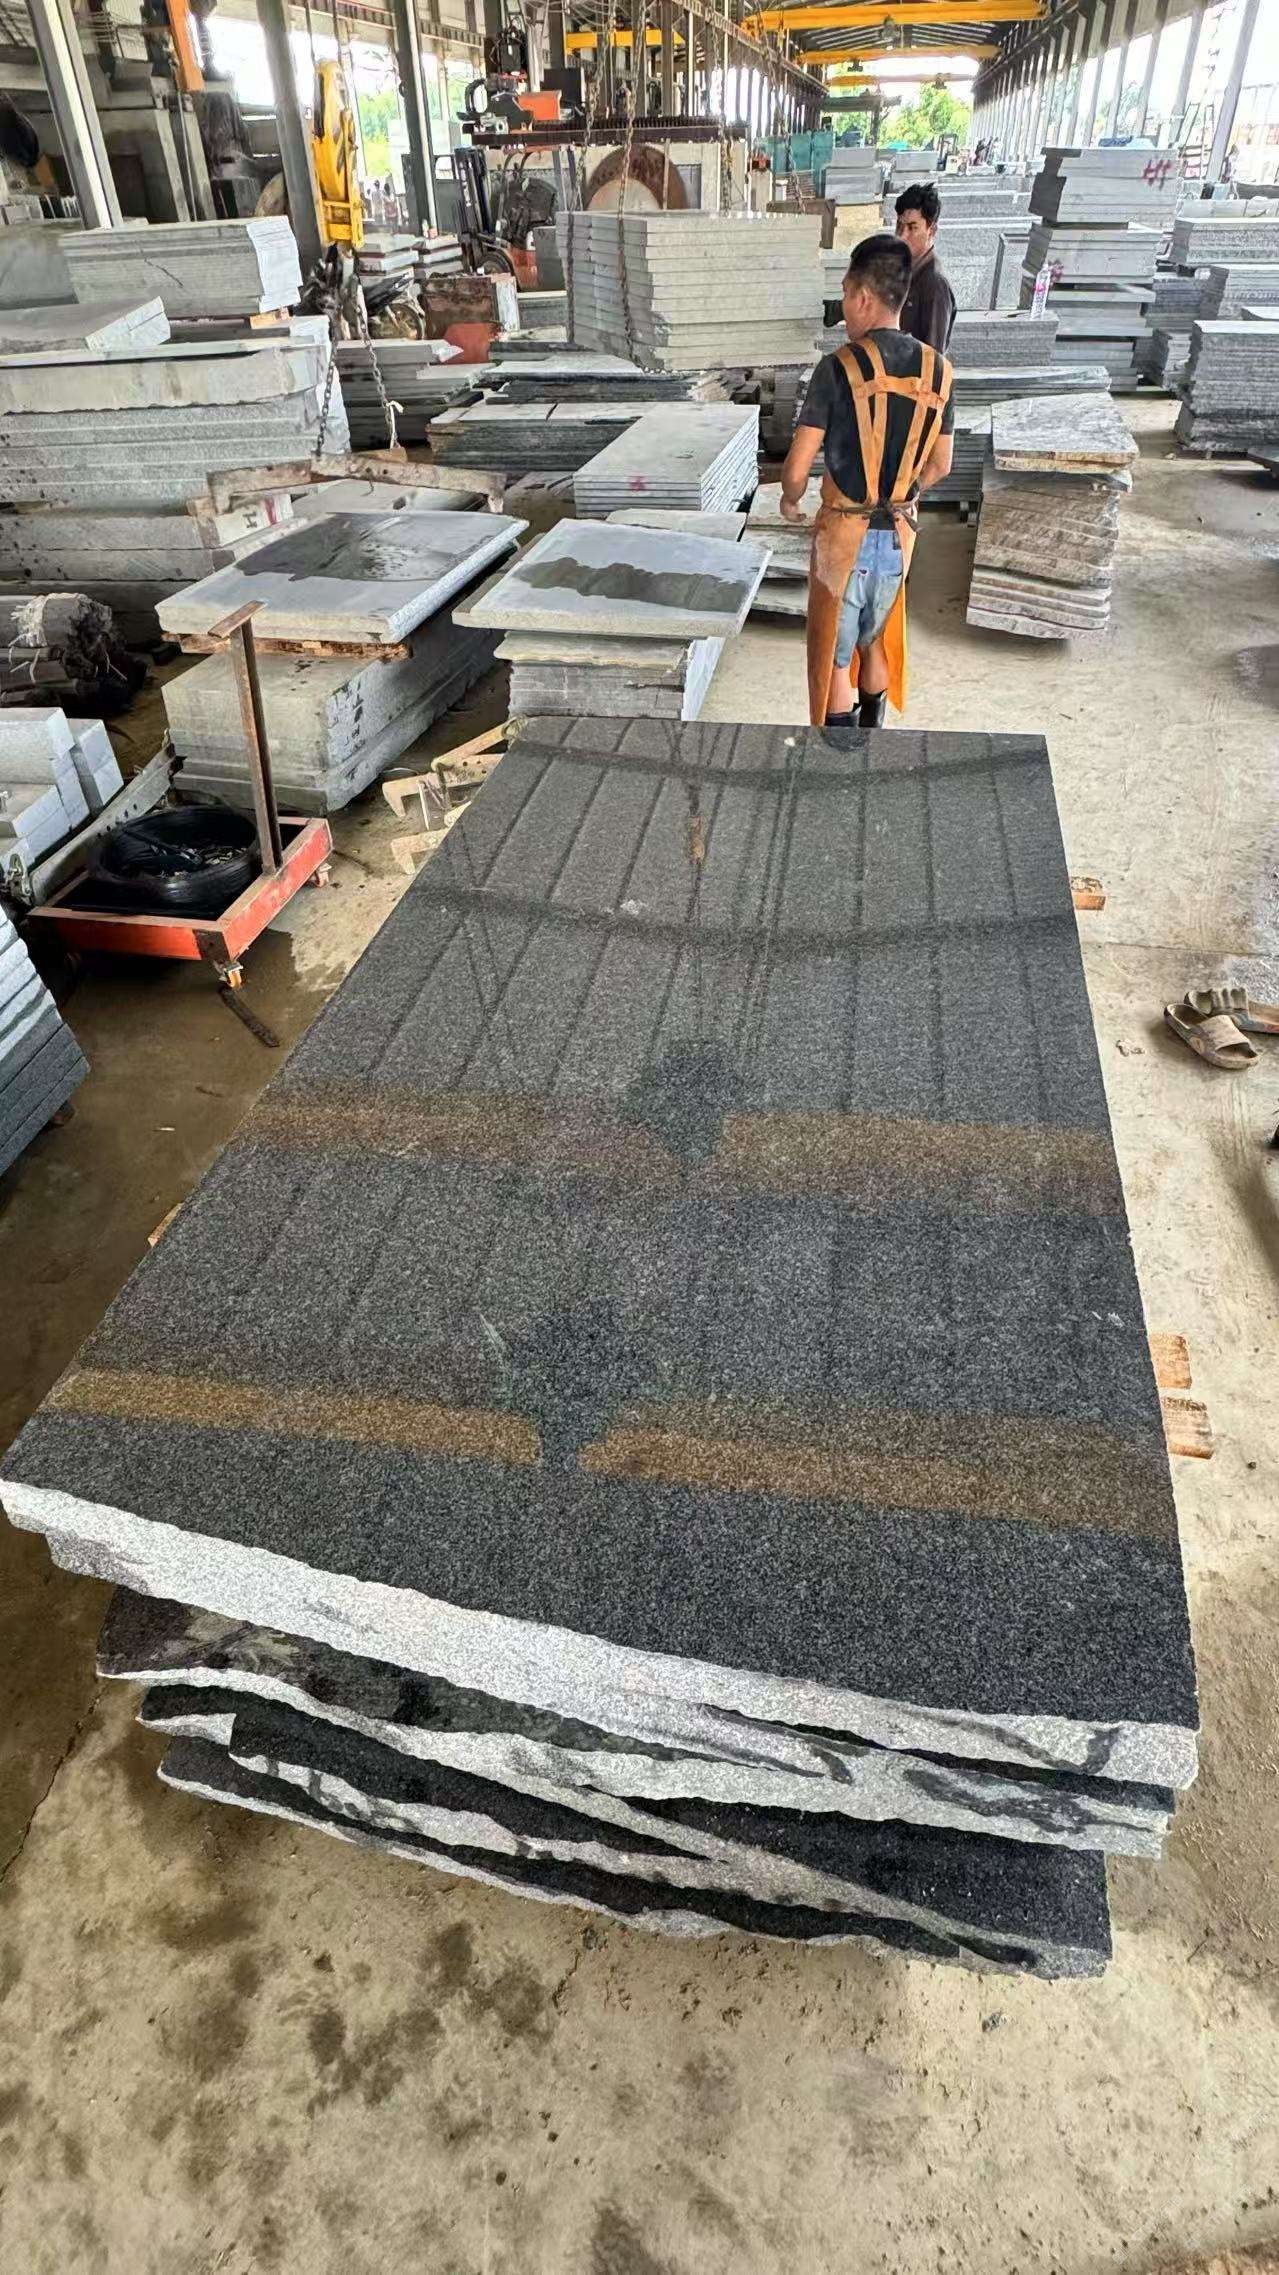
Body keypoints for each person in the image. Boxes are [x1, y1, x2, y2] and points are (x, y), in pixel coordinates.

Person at [779, 233, 954, 731]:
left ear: (861, 296)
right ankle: (873, 738)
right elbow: (941, 464)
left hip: (843, 538)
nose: (844, 309)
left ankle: (838, 757)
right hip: (899, 537)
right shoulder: (939, 371)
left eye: (844, 295)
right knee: (873, 638)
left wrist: (791, 499)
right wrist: (902, 493)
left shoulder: (838, 367)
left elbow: (797, 467)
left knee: (835, 656)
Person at [894, 182, 957, 352]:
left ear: (932, 230)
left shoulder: (935, 284)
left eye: (912, 227)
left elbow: (933, 358)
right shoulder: (903, 270)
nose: (902, 235)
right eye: (899, 226)